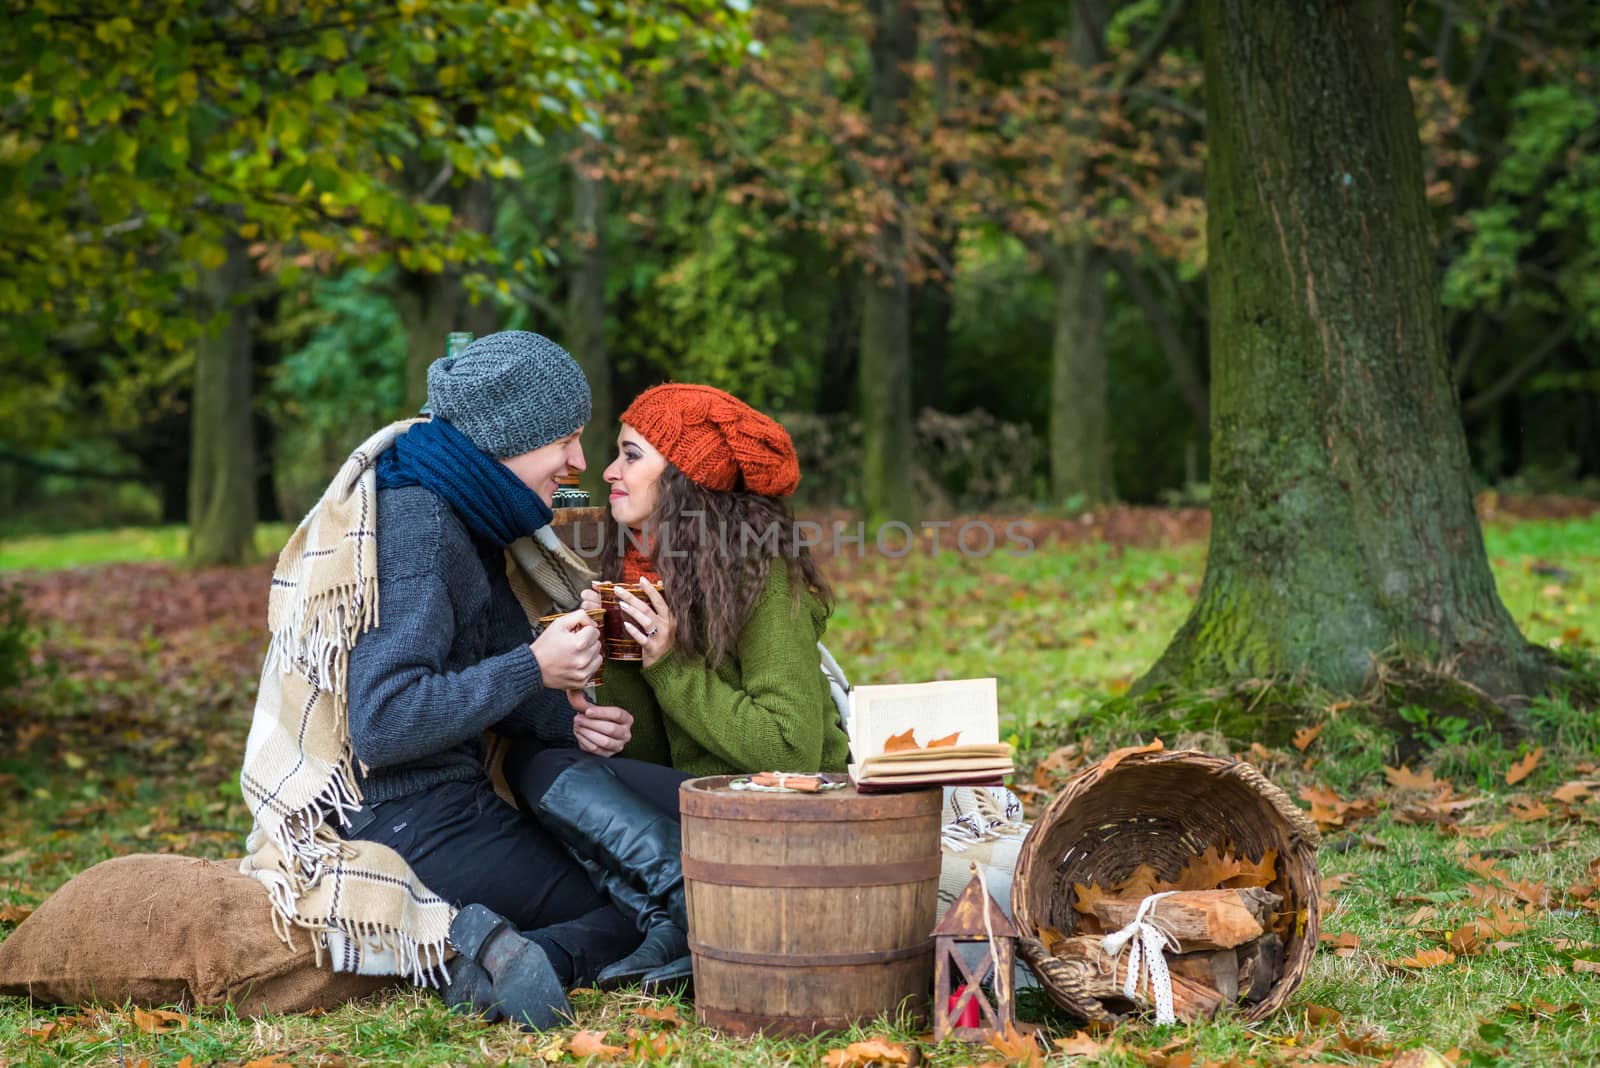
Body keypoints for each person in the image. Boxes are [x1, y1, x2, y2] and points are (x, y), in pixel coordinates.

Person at [240, 331, 640, 1030]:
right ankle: (478, 967)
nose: (578, 463)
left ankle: (497, 950)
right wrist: (533, 666)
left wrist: (570, 720)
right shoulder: (423, 527)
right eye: (566, 440)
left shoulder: (462, 507)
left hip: (441, 801)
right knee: (631, 917)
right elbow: (385, 721)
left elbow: (484, 669)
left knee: (623, 891)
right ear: (506, 437)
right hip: (406, 816)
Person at [501, 382, 851, 992]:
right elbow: (648, 757)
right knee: (540, 760)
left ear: (686, 479)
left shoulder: (764, 579)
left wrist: (667, 662)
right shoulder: (648, 573)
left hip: (791, 813)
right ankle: (663, 921)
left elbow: (791, 752)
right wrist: (605, 660)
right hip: (707, 807)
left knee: (548, 773)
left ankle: (674, 914)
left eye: (631, 455)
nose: (609, 471)